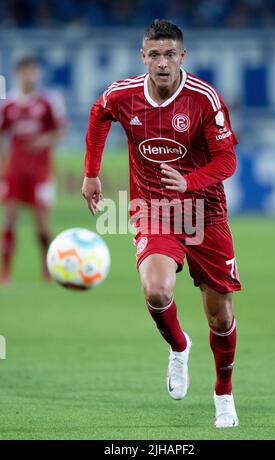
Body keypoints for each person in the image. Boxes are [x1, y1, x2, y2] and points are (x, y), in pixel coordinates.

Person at [82, 19, 241, 428]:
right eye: (154, 54)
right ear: (143, 57)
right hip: (154, 210)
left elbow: (228, 161)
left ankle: (223, 394)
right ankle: (179, 346)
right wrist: (92, 173)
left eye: (170, 54)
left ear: (182, 56)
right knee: (156, 291)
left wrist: (190, 180)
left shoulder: (204, 99)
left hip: (206, 213)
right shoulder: (124, 95)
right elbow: (99, 113)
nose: (162, 62)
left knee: (220, 316)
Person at [0, 57, 67, 284]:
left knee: (42, 223)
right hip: (15, 171)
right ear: (18, 74)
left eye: (34, 72)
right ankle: (6, 271)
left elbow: (61, 131)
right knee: (9, 219)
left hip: (40, 171)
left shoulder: (48, 101)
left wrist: (43, 140)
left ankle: (47, 269)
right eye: (27, 72)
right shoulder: (8, 103)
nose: (31, 76)